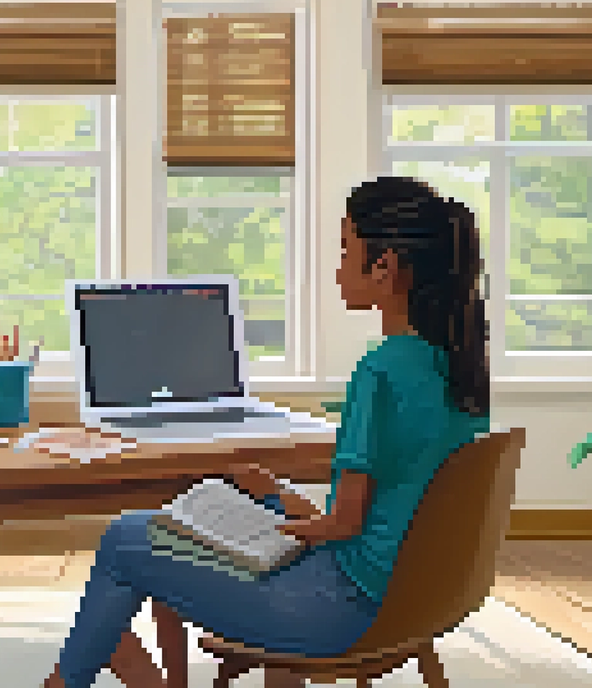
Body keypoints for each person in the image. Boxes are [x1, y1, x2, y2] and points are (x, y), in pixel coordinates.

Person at [43, 175, 494, 688]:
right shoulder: (455, 370)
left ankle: (65, 683)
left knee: (125, 539)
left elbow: (343, 525)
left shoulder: (381, 371)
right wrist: (278, 498)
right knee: (187, 529)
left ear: (384, 266)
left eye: (345, 249)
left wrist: (267, 528)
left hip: (339, 609)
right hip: (408, 602)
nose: (338, 266)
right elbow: (387, 512)